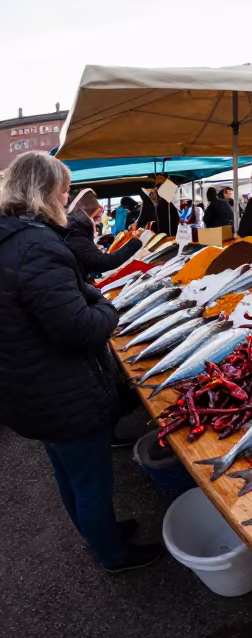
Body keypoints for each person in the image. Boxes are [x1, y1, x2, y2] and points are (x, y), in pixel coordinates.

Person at [0, 152, 164, 572]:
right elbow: (79, 329)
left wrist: (84, 294)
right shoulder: (35, 244)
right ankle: (113, 555)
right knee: (91, 483)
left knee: (69, 474)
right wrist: (107, 307)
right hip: (61, 393)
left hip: (26, 388)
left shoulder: (10, 236)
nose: (67, 196)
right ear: (45, 191)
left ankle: (100, 535)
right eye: (63, 188)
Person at [65, 190, 142, 276]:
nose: (100, 208)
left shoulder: (74, 230)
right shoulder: (74, 233)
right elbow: (102, 262)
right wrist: (136, 243)